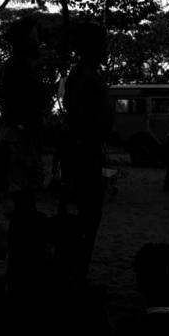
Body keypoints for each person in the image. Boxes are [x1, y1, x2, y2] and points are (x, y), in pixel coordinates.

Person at [0, 15, 48, 297]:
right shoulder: (21, 66)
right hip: (20, 139)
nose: (39, 40)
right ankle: (20, 272)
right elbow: (35, 102)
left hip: (15, 137)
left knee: (23, 205)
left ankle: (18, 270)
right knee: (24, 208)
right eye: (35, 35)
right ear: (25, 40)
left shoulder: (14, 65)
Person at [61, 22, 114, 285]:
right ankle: (77, 270)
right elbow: (74, 108)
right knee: (89, 212)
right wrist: (90, 136)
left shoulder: (88, 73)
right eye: (103, 43)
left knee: (92, 211)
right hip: (85, 151)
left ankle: (79, 268)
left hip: (89, 149)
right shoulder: (82, 74)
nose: (106, 48)